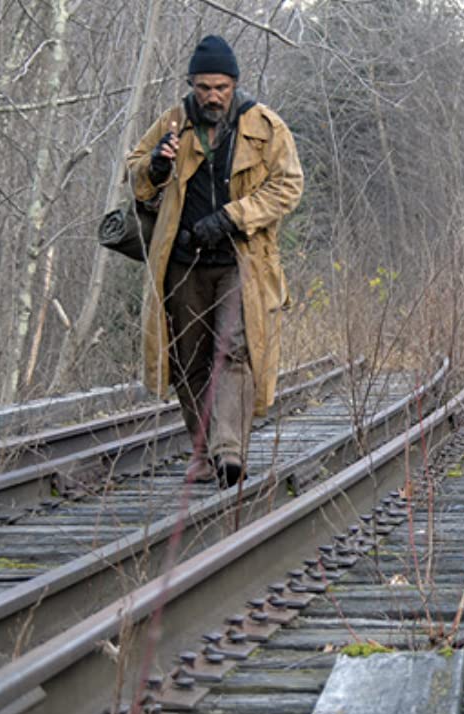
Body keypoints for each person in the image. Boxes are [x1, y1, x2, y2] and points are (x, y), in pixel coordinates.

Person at [127, 35, 303, 485]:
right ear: (192, 84)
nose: (212, 96)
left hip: (240, 261)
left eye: (221, 87)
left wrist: (231, 217)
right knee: (189, 360)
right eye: (204, 87)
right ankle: (203, 452)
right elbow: (135, 174)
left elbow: (288, 186)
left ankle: (229, 452)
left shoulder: (265, 126)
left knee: (233, 350)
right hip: (182, 261)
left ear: (234, 85)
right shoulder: (171, 123)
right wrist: (156, 167)